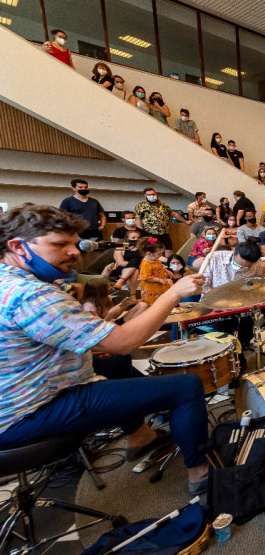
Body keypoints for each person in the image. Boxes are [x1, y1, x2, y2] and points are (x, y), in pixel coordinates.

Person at [0, 204, 209, 493]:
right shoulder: (31, 295)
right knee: (186, 387)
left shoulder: (7, 282)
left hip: (15, 396)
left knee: (115, 363)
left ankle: (140, 436)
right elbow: (125, 341)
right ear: (17, 247)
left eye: (75, 243)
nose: (76, 253)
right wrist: (174, 293)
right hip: (27, 412)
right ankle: (201, 474)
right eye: (60, 245)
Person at [135, 187, 183, 256]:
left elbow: (173, 213)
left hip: (164, 232)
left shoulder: (163, 204)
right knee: (153, 250)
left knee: (168, 249)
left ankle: (169, 263)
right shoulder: (141, 205)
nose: (152, 196)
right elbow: (138, 218)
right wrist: (141, 231)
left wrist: (185, 221)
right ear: (145, 195)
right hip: (150, 233)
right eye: (149, 195)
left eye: (153, 194)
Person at [82, 278, 147, 323]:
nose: (110, 288)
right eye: (107, 287)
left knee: (142, 305)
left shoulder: (107, 298)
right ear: (100, 291)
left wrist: (123, 306)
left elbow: (114, 316)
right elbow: (98, 328)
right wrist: (110, 313)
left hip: (113, 323)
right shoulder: (89, 306)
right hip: (104, 329)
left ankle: (131, 326)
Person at [104, 230, 143, 294]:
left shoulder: (141, 249)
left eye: (138, 238)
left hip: (137, 270)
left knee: (135, 270)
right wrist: (135, 264)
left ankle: (121, 281)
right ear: (127, 238)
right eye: (133, 238)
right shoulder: (120, 248)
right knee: (135, 261)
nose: (136, 239)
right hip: (122, 269)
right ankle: (132, 295)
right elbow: (120, 262)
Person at [138, 238, 170, 304]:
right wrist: (158, 280)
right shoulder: (146, 264)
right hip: (151, 288)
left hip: (159, 286)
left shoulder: (155, 259)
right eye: (159, 254)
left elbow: (158, 267)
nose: (161, 256)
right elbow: (145, 277)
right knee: (153, 303)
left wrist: (166, 271)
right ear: (149, 254)